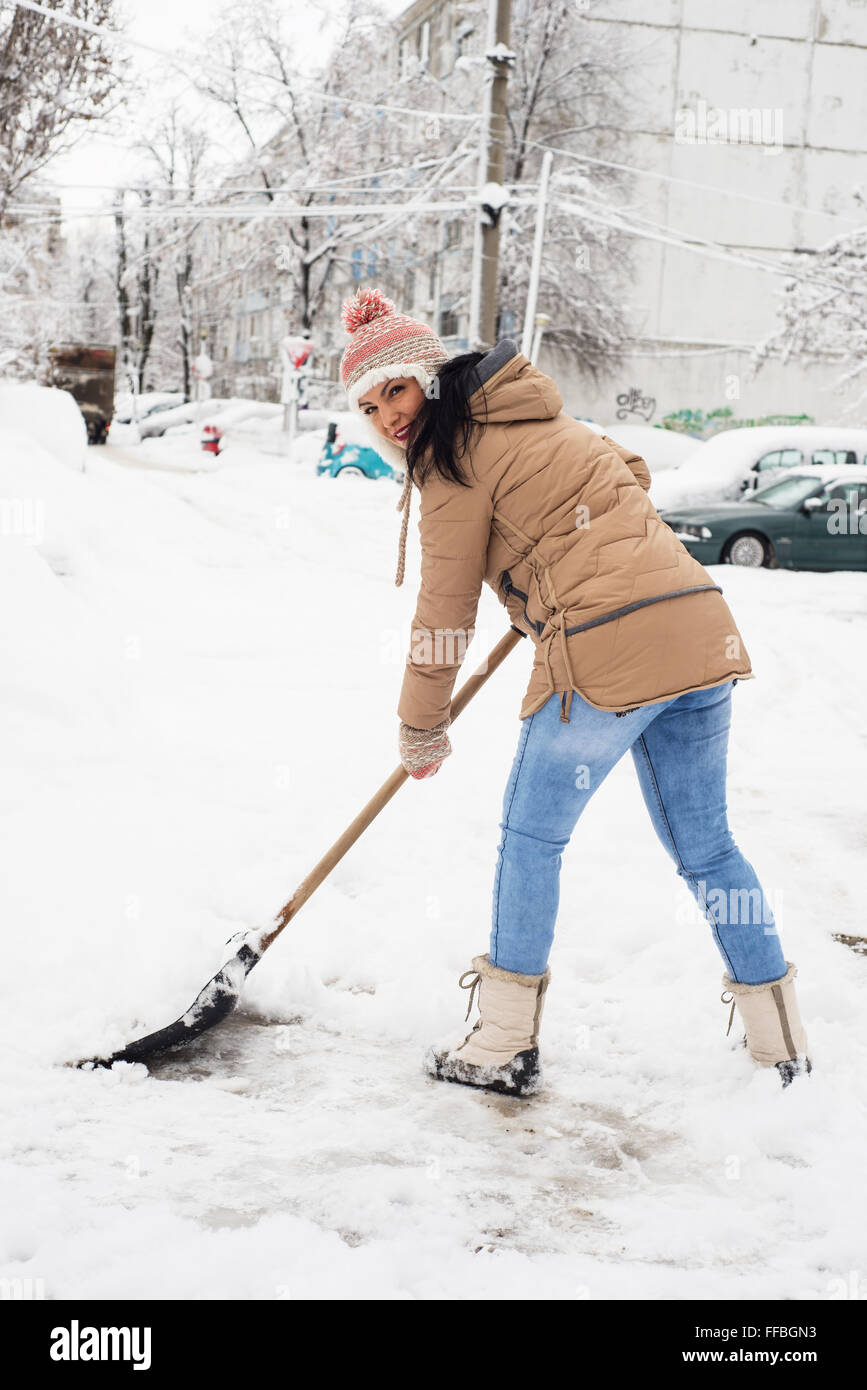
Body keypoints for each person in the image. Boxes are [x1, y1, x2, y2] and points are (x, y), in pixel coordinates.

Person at [339, 286, 811, 1098]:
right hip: (699, 632)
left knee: (531, 839)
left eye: (398, 389)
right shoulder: (547, 417)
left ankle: (500, 1043)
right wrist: (535, 576)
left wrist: (420, 725)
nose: (388, 414)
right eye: (370, 403)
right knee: (707, 848)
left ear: (434, 381)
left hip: (605, 655)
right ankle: (782, 1044)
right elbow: (628, 473)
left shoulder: (451, 461)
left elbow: (443, 611)